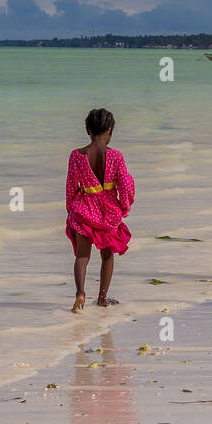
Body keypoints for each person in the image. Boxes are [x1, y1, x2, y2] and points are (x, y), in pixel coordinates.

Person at [65, 108, 135, 312]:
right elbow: (125, 186)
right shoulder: (116, 156)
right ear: (110, 130)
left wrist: (71, 211)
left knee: (82, 256)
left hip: (84, 209)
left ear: (87, 130)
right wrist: (125, 206)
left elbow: (71, 186)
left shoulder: (76, 155)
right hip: (108, 213)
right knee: (107, 255)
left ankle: (80, 293)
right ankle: (102, 298)